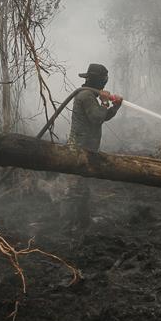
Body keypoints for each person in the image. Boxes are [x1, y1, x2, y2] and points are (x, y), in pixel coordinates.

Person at [63, 63, 123, 228]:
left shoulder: (89, 95)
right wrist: (104, 102)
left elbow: (100, 118)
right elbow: (97, 118)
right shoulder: (87, 96)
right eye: (104, 81)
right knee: (77, 187)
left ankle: (81, 221)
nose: (105, 84)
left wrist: (115, 107)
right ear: (99, 81)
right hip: (80, 148)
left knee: (82, 185)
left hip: (86, 148)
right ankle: (71, 223)